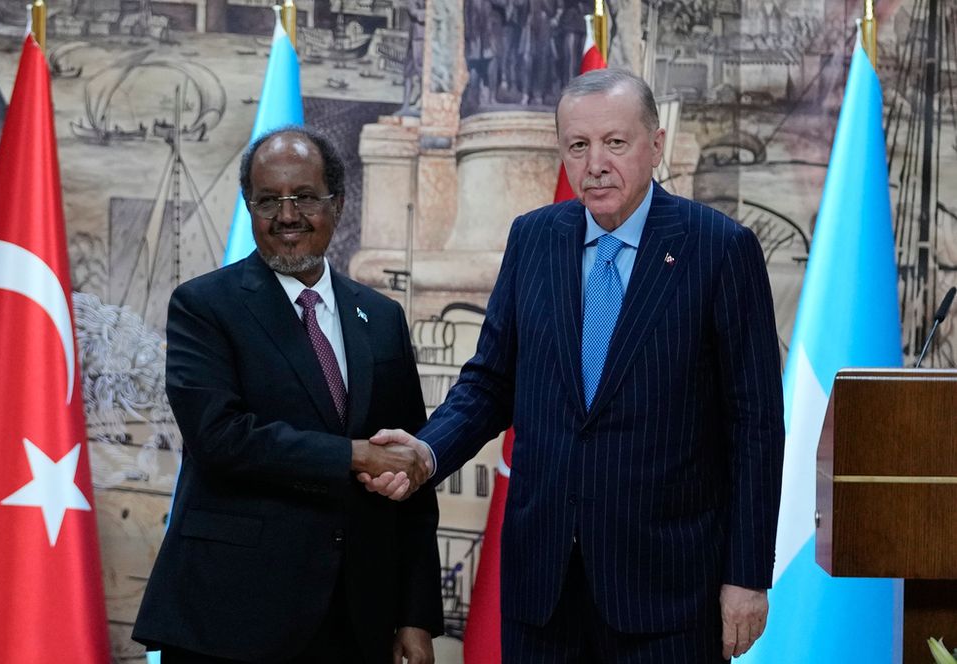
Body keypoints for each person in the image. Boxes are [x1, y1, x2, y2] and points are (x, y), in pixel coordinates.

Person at [362, 69, 785, 663]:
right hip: (545, 588)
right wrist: (427, 453)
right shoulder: (534, 238)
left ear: (655, 145)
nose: (595, 164)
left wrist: (747, 576)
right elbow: (490, 382)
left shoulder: (717, 248)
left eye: (616, 142)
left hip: (667, 594)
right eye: (578, 146)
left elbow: (756, 427)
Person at [133, 126, 443, 663]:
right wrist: (353, 456)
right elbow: (220, 438)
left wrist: (415, 614)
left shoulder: (383, 319)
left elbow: (409, 469)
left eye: (303, 197)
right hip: (232, 617)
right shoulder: (204, 307)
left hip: (356, 620)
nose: (287, 215)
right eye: (267, 200)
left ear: (337, 204)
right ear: (249, 208)